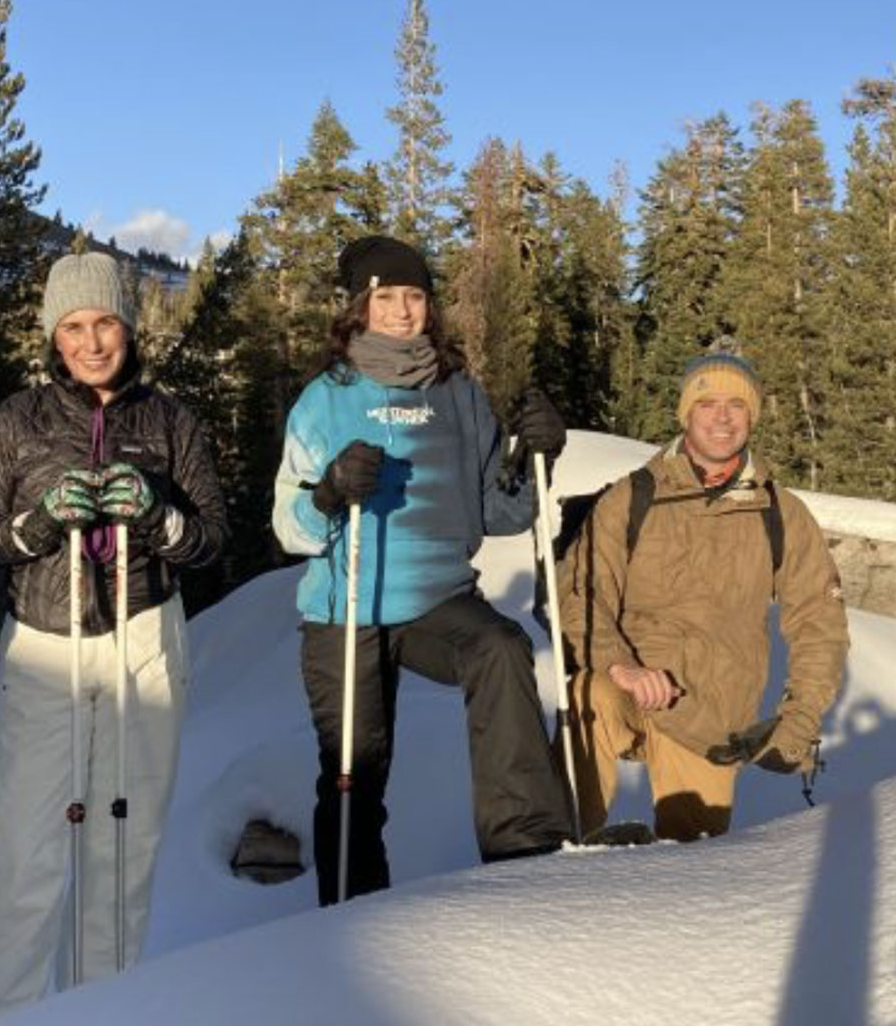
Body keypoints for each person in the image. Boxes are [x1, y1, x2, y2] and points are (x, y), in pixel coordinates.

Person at [0, 251, 226, 1023]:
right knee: (23, 855)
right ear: (53, 336)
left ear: (129, 324)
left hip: (143, 636)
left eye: (104, 321)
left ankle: (97, 1009)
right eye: (72, 326)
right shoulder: (22, 417)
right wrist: (36, 524)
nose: (92, 341)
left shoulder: (169, 420)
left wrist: (158, 516)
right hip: (46, 642)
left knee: (122, 848)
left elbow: (210, 540)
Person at [272, 233, 574, 906]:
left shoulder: (459, 394)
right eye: (388, 298)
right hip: (347, 603)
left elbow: (498, 513)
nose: (404, 311)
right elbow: (287, 526)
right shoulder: (326, 397)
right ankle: (352, 917)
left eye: (415, 296)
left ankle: (525, 855)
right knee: (355, 769)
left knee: (500, 648)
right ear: (360, 306)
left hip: (438, 597)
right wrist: (324, 495)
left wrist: (534, 458)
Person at [557, 342, 849, 842]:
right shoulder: (631, 498)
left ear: (752, 416)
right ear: (686, 414)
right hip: (629, 688)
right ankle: (565, 852)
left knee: (694, 860)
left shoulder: (781, 512)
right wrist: (618, 665)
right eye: (707, 403)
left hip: (711, 716)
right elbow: (581, 594)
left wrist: (798, 718)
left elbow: (819, 622)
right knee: (588, 696)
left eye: (737, 405)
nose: (722, 418)